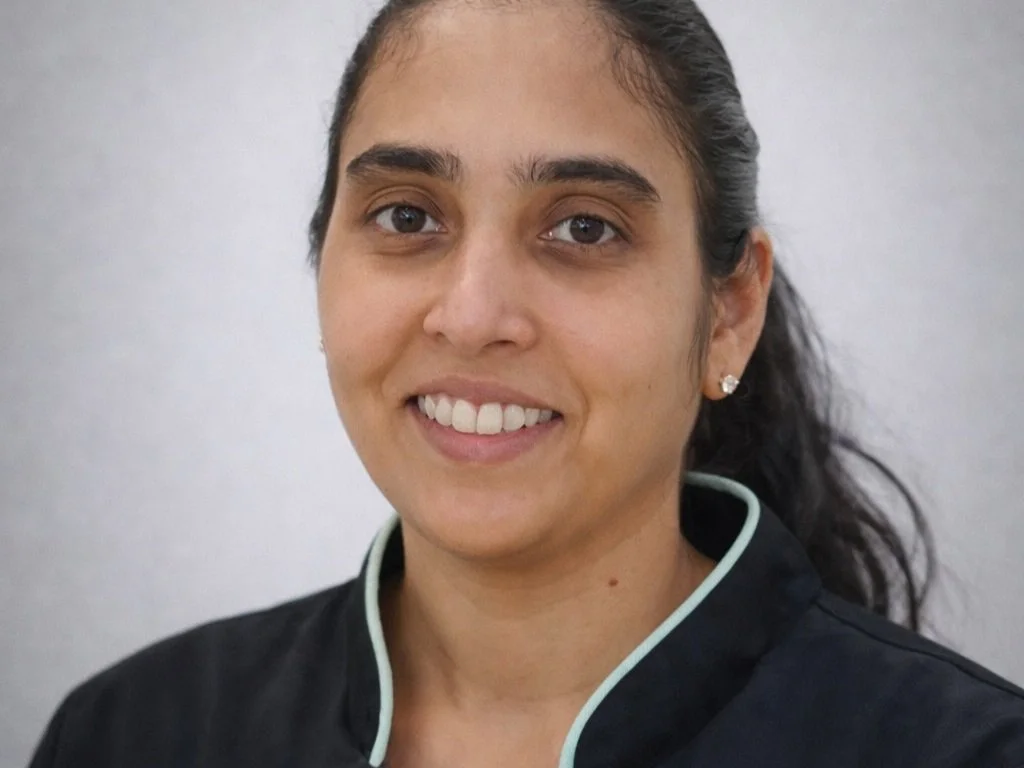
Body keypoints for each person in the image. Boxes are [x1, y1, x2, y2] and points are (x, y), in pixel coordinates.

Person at [27, 0, 1024, 766]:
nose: (470, 314)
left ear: (727, 311)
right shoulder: (137, 732)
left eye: (583, 226)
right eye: (408, 216)